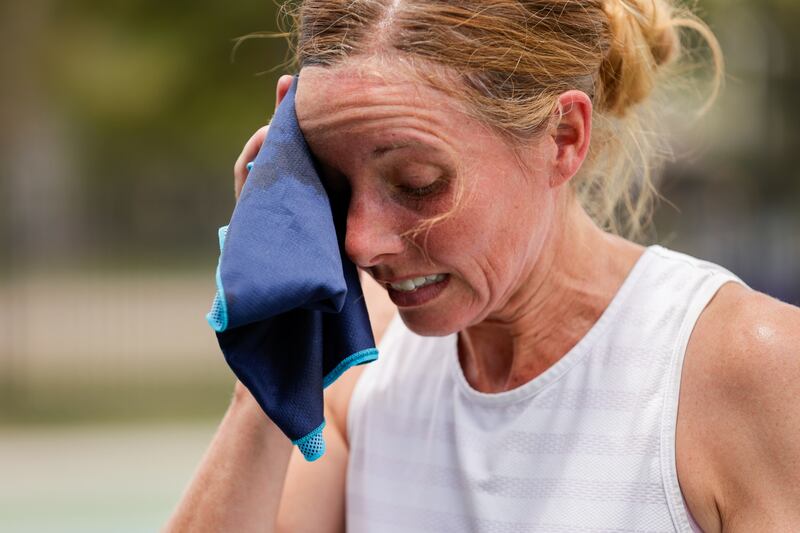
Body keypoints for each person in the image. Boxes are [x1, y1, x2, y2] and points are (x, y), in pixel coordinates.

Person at [165, 1, 800, 531]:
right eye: (331, 179)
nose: (360, 242)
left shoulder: (742, 369)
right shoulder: (358, 367)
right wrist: (271, 371)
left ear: (563, 139)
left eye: (417, 184)